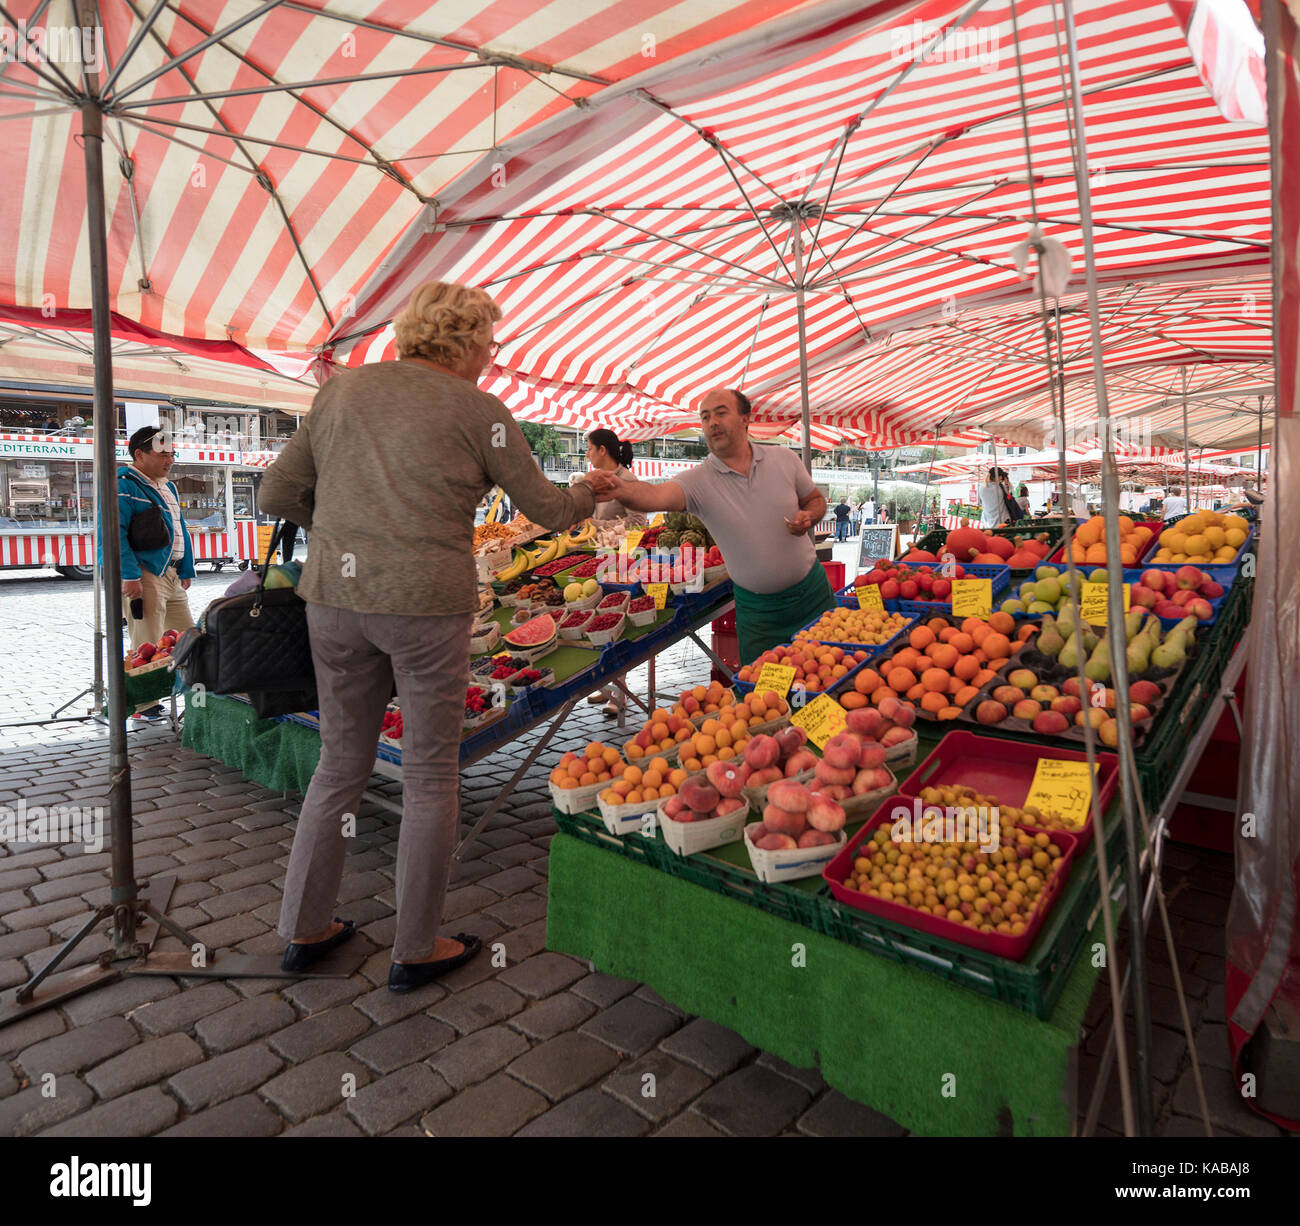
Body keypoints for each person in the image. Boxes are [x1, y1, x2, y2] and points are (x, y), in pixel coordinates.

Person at [258, 280, 616, 992]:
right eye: (490, 340)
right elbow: (544, 508)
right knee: (428, 775)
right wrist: (593, 489)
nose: (491, 353)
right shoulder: (477, 409)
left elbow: (275, 496)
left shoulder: (341, 393)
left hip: (333, 599)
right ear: (470, 341)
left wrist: (340, 525)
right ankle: (414, 947)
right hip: (425, 606)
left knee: (338, 766)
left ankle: (303, 930)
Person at [597, 388, 832, 664]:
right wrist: (619, 487)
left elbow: (816, 500)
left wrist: (809, 516)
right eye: (705, 417)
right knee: (767, 699)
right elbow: (654, 496)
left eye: (721, 413)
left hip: (814, 597)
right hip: (759, 615)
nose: (712, 423)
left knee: (834, 680)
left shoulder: (784, 459)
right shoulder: (698, 481)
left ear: (746, 418)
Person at [111, 426, 197, 697]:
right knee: (146, 643)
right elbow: (114, 535)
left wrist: (185, 568)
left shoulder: (169, 486)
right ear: (139, 454)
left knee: (188, 638)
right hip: (144, 574)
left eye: (172, 454)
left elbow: (179, 527)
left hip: (171, 573)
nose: (169, 460)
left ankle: (187, 693)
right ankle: (145, 704)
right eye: (162, 454)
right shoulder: (124, 484)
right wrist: (129, 575)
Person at [576, 428, 643, 715]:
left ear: (603, 450)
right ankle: (606, 688)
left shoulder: (628, 481)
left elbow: (639, 523)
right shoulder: (592, 482)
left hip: (621, 563)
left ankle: (619, 694)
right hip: (597, 559)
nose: (588, 454)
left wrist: (596, 525)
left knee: (618, 625)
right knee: (602, 622)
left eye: (590, 448)